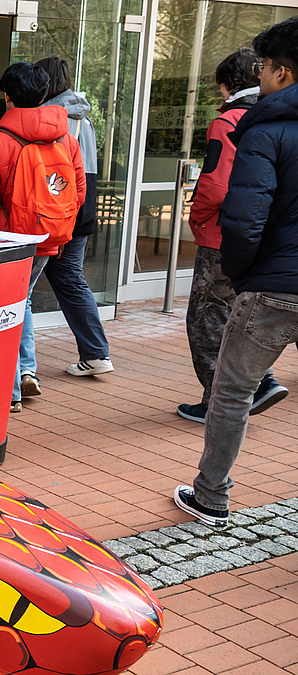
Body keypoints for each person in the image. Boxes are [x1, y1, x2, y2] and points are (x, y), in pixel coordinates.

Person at [174, 17, 298, 528]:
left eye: (264, 66)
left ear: (283, 73)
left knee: (231, 392)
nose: (259, 75)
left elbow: (245, 217)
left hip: (273, 285)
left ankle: (211, 497)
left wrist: (242, 273)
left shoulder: (263, 129)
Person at [177, 47, 288, 424]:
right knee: (237, 313)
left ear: (227, 86)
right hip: (265, 235)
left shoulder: (229, 122)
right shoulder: (276, 118)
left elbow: (215, 185)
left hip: (223, 234)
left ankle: (225, 399)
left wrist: (196, 217)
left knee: (206, 317)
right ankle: (259, 382)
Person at [0, 62, 85, 412]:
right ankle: (26, 371)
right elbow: (78, 192)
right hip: (49, 234)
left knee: (5, 307)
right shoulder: (66, 138)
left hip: (8, 240)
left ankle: (12, 392)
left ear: (7, 96)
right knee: (22, 300)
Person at [36, 56, 114, 378]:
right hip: (82, 204)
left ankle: (22, 369)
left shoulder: (51, 119)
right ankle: (96, 353)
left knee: (25, 288)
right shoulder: (83, 117)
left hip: (56, 207)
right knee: (70, 277)